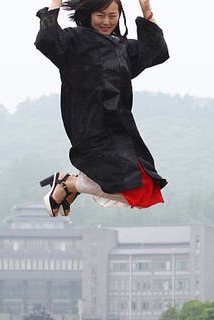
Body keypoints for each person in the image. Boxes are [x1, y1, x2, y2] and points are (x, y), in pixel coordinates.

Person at [35, 0, 169, 217]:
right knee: (135, 188)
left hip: (121, 130)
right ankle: (69, 184)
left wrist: (147, 13)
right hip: (89, 128)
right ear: (88, 14)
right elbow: (47, 39)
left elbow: (156, 51)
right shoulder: (74, 41)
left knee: (147, 190)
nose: (107, 22)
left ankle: (70, 184)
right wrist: (55, 2)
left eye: (112, 15)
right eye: (100, 15)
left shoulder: (121, 47)